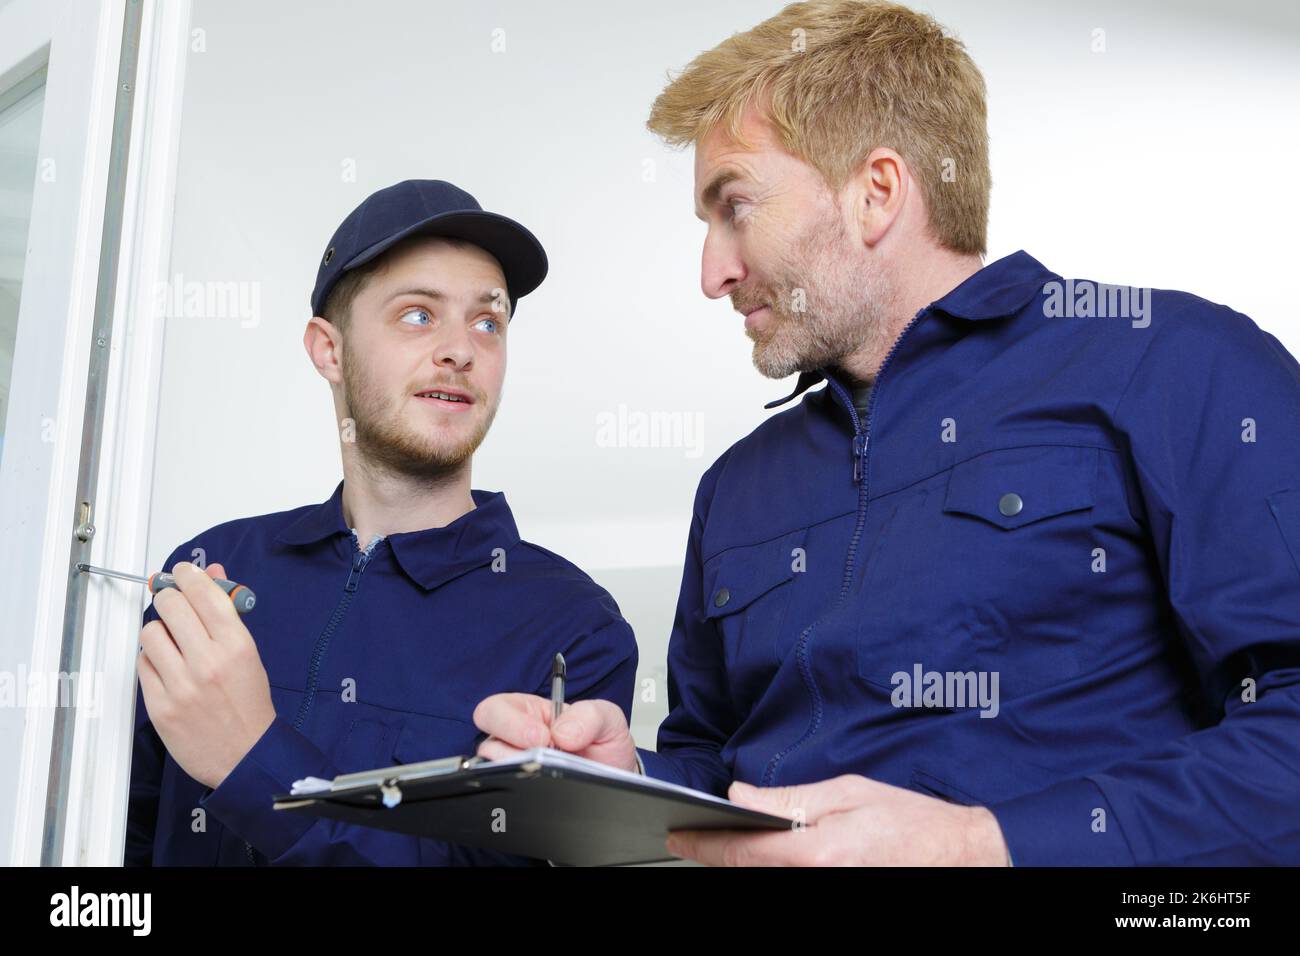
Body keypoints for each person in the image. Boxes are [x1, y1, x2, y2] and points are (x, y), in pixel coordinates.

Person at [473, 0, 1300, 866]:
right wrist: (628, 779)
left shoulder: (1178, 369)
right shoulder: (736, 488)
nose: (713, 273)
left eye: (736, 206)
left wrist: (984, 845)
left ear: (876, 193)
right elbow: (714, 765)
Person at [126, 179, 637, 865]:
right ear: (329, 351)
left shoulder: (572, 631)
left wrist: (256, 763)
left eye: (488, 321)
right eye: (419, 315)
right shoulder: (215, 570)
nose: (461, 349)